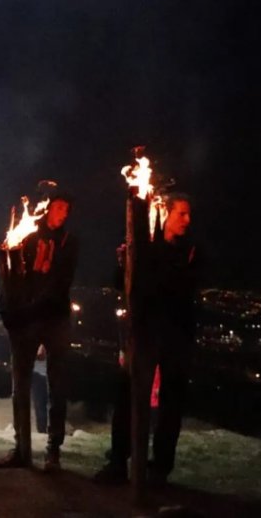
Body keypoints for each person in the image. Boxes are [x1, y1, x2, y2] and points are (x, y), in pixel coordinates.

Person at [95, 193, 200, 487]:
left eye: (189, 214)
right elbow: (124, 285)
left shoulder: (191, 251)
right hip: (145, 332)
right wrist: (125, 263)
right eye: (182, 214)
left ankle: (159, 469)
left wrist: (145, 267)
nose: (187, 220)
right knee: (128, 395)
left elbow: (178, 288)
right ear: (165, 214)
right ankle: (118, 462)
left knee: (170, 405)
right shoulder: (146, 246)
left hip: (177, 336)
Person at [0, 190, 78, 471]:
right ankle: (21, 447)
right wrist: (12, 309)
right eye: (59, 206)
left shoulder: (69, 241)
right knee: (20, 385)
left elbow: (60, 282)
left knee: (58, 386)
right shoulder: (27, 234)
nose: (64, 213)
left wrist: (35, 308)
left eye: (67, 208)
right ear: (47, 208)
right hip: (25, 322)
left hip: (54, 320)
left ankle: (53, 450)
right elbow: (14, 276)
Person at [33, 345, 50, 435]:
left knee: (42, 405)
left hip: (44, 375)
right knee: (40, 405)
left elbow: (41, 355)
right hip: (39, 374)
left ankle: (44, 431)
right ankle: (42, 431)